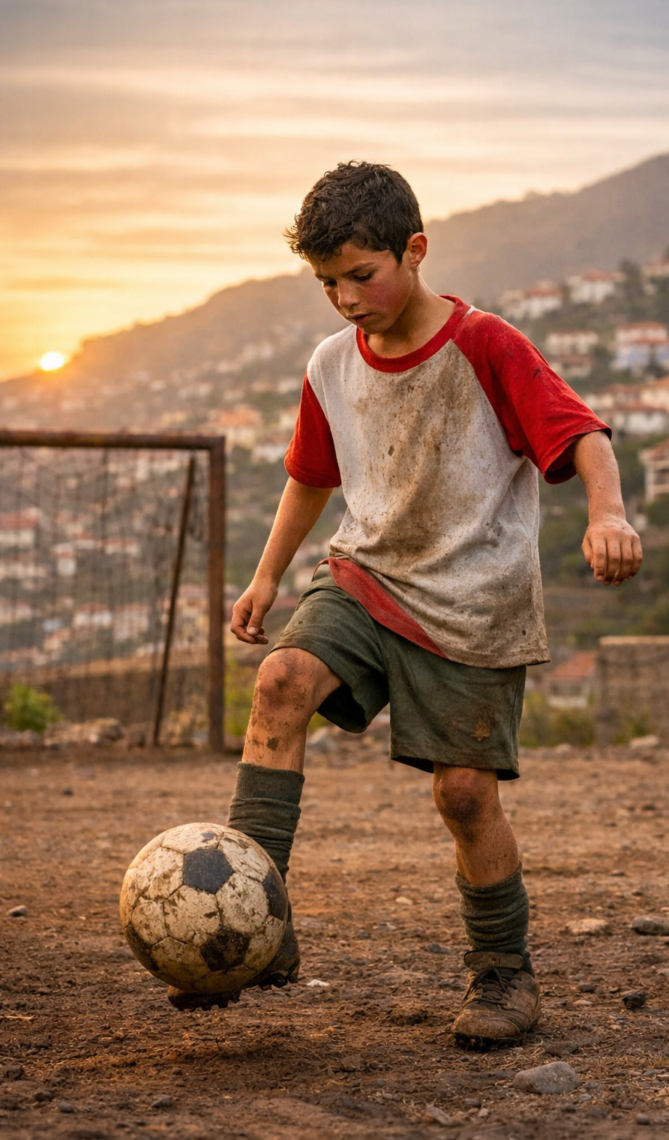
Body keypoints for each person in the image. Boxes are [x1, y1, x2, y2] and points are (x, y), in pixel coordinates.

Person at [169, 161, 642, 1048]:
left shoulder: (488, 343)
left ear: (414, 251)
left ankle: (503, 974)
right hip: (365, 575)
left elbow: (582, 433)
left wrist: (608, 514)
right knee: (279, 684)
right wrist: (268, 576)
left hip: (476, 606)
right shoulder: (331, 363)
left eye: (361, 274)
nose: (346, 299)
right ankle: (254, 920)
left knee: (464, 799)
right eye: (327, 283)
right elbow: (312, 475)